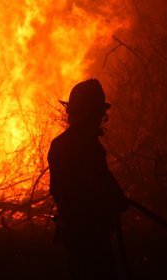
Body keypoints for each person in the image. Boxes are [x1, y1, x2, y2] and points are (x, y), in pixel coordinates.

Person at [48, 79, 129, 279]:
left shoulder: (60, 145)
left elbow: (56, 191)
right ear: (89, 113)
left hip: (74, 235)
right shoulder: (88, 148)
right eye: (97, 114)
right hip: (91, 236)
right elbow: (102, 187)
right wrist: (117, 200)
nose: (100, 119)